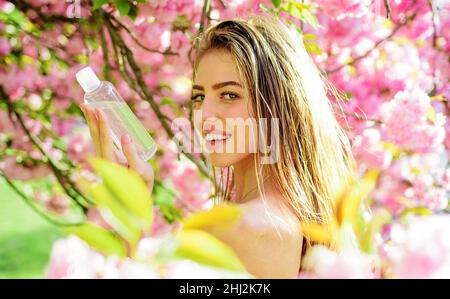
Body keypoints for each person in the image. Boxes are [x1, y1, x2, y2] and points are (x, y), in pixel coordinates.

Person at [79, 15, 355, 278]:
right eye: (199, 97)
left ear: (279, 106)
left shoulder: (242, 227)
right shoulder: (286, 219)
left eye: (229, 95)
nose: (204, 114)